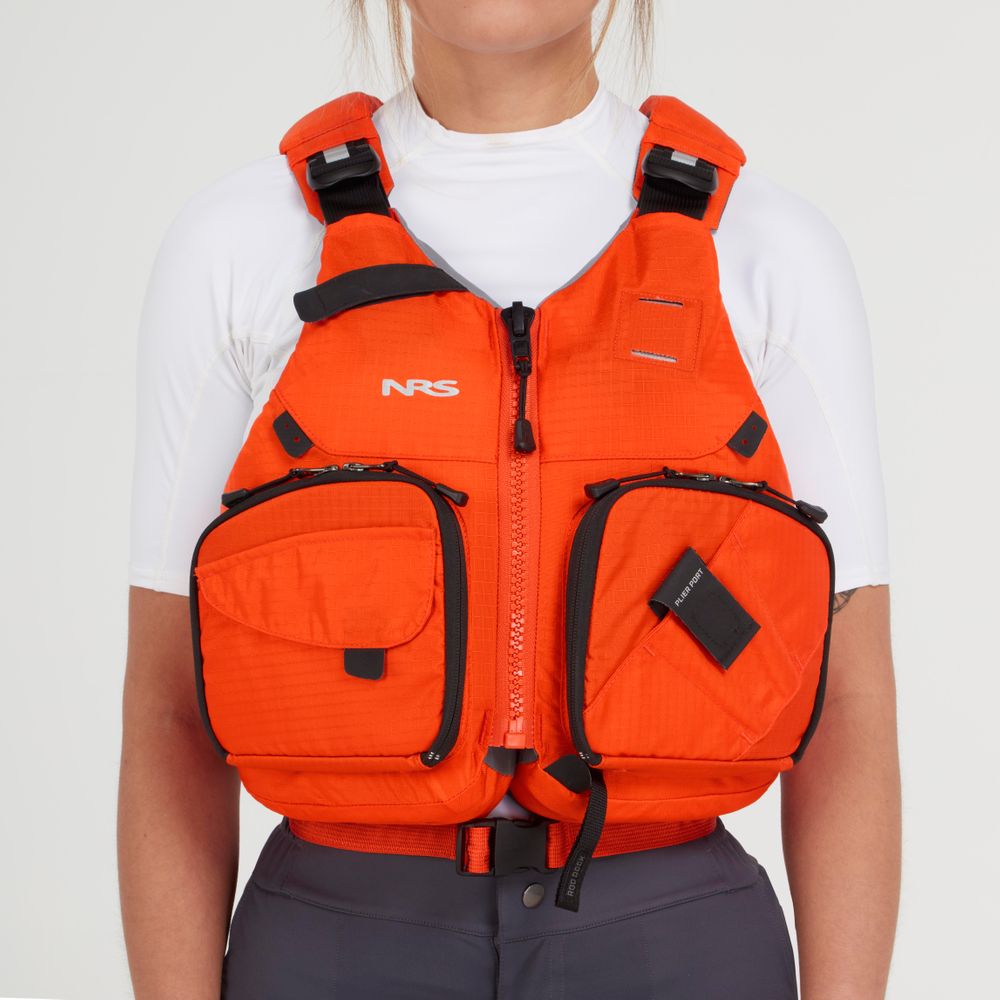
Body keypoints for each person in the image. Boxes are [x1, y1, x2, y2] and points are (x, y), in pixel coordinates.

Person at [117, 2, 901, 997]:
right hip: (336, 941)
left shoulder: (765, 252)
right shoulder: (242, 246)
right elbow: (169, 710)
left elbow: (849, 703)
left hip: (675, 943)